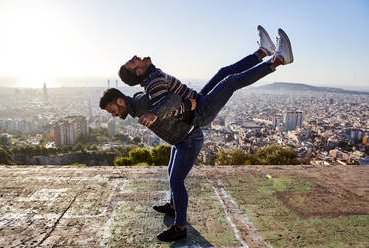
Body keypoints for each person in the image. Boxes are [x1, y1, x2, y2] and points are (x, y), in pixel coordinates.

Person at [99, 25, 293, 242]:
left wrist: (155, 113)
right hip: (189, 122)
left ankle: (276, 60)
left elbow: (170, 101)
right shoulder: (145, 87)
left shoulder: (147, 95)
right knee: (223, 75)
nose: (114, 115)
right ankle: (262, 53)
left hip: (196, 121)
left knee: (228, 82)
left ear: (119, 101)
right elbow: (167, 95)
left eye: (112, 111)